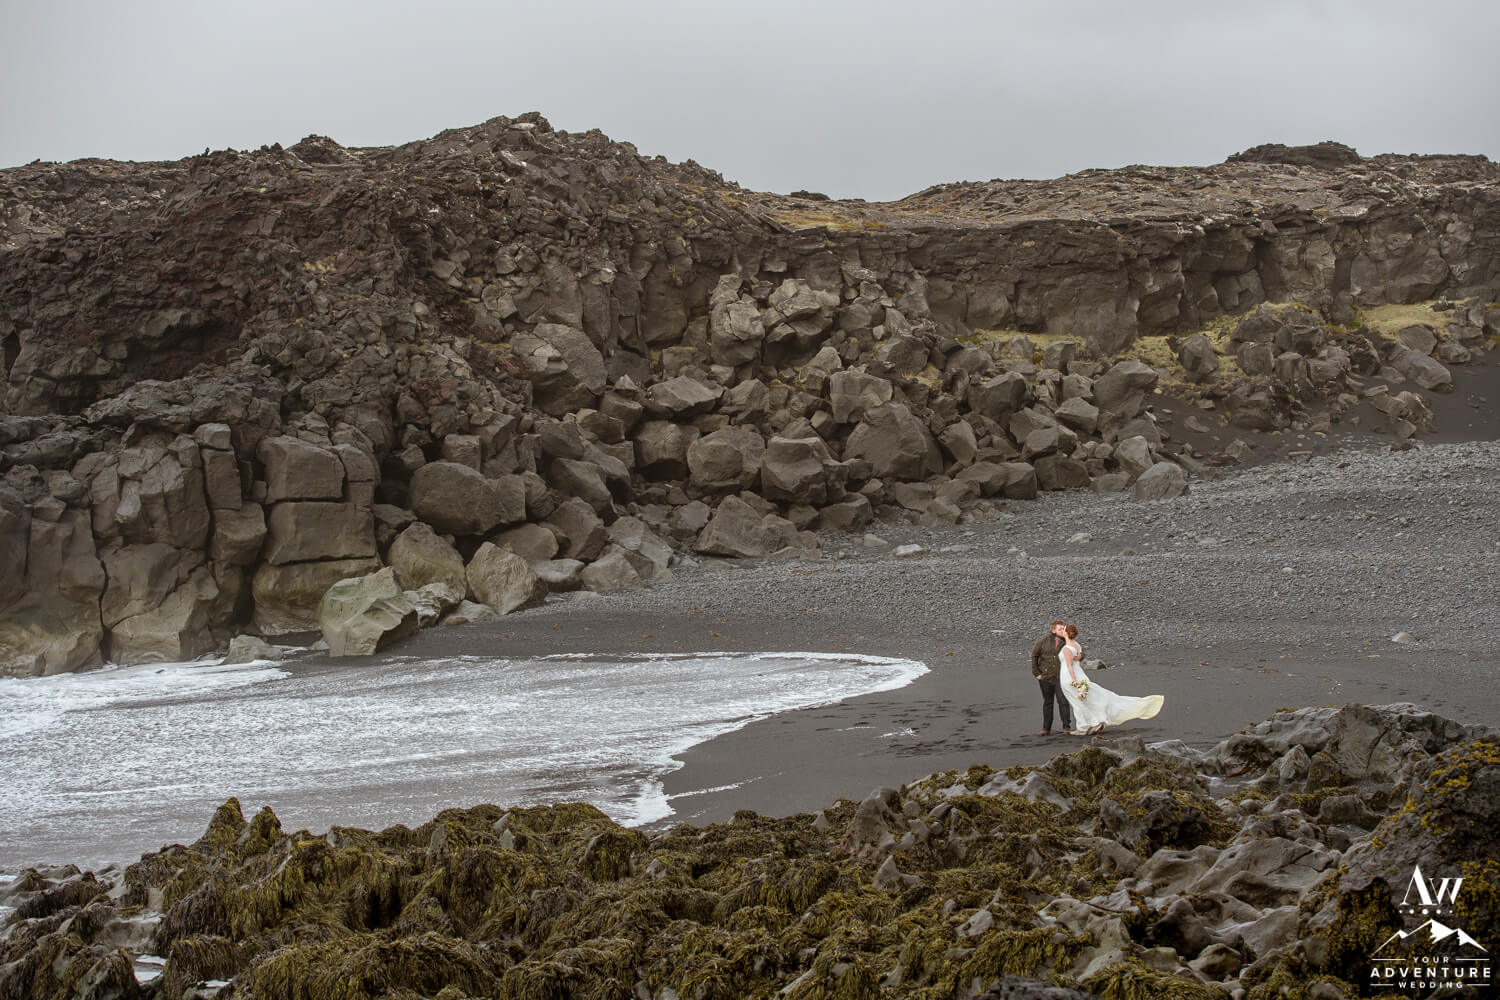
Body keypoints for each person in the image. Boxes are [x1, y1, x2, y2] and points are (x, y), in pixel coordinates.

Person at [1058, 624, 1164, 735]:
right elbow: (1078, 657)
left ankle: (1084, 726)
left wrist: (1074, 680)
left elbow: (1069, 665)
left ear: (1066, 633)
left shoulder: (1066, 648)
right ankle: (1093, 722)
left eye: (1063, 629)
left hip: (1069, 677)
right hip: (1079, 674)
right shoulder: (1076, 645)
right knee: (1088, 699)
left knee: (1078, 702)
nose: (1062, 631)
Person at [1029, 620, 1074, 736]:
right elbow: (1034, 655)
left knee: (1063, 701)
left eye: (1063, 628)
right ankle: (1046, 729)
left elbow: (1078, 650)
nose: (1063, 631)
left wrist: (1081, 656)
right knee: (1048, 702)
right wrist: (1036, 673)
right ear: (1053, 630)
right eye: (1060, 629)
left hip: (1060, 676)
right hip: (1045, 676)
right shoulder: (1043, 641)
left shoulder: (1067, 640)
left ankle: (1066, 727)